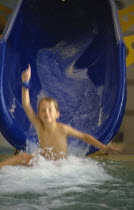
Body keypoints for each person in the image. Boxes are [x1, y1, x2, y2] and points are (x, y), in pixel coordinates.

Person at [0, 65, 120, 169]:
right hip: (43, 165)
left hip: (60, 167)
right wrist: (25, 84)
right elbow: (26, 105)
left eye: (50, 110)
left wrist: (103, 147)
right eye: (43, 110)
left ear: (57, 114)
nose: (46, 112)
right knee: (23, 157)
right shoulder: (39, 126)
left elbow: (84, 136)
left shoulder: (63, 129)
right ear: (38, 115)